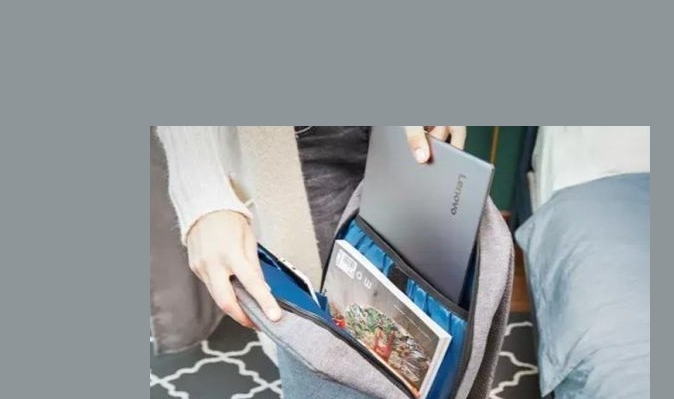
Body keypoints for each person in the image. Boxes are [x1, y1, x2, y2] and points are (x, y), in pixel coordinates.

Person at [157, 127, 466, 331]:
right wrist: (202, 192)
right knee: (327, 326)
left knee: (422, 297)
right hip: (299, 140)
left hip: (405, 133)